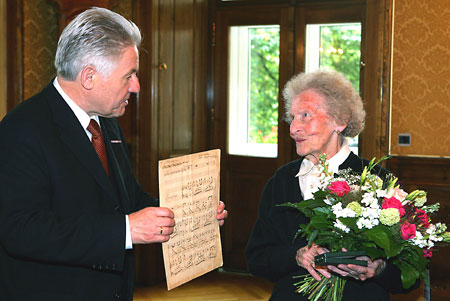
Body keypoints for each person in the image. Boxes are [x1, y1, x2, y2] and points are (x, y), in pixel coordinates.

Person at [0, 7, 227, 301]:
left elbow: (127, 199)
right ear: (89, 77)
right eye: (129, 75)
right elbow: (21, 231)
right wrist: (126, 230)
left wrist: (188, 213)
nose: (137, 87)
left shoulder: (107, 123)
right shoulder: (23, 128)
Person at [245, 70, 411, 300]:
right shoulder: (281, 181)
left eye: (305, 116)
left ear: (341, 121)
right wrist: (296, 256)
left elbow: (410, 275)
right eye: (292, 118)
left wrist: (379, 268)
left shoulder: (378, 182)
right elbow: (256, 259)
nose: (293, 129)